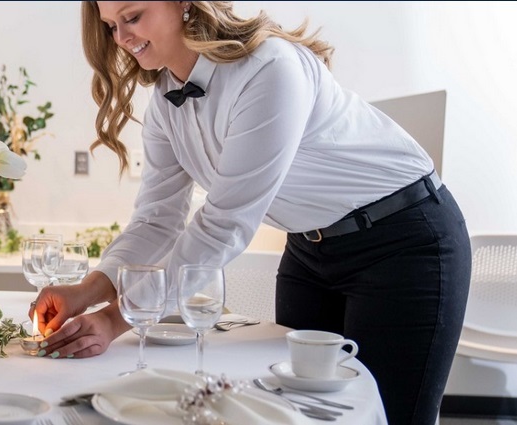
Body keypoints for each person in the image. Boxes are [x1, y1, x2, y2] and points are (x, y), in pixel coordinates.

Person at [31, 2, 471, 424]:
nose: (122, 37)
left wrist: (114, 319)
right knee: (294, 412)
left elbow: (223, 223)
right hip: (309, 250)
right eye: (111, 25)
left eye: (132, 17)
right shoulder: (166, 99)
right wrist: (87, 291)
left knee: (392, 415)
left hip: (405, 242)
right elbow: (157, 220)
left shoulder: (270, 68)